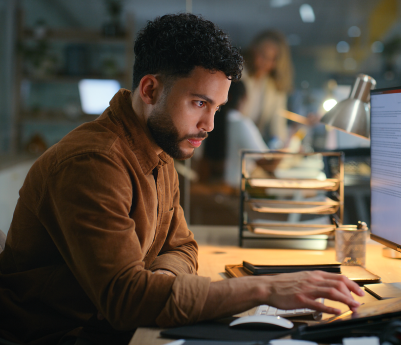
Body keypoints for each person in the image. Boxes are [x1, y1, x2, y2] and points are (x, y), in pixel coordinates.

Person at [0, 14, 363, 345]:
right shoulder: (93, 163)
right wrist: (264, 288)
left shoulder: (159, 148)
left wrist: (156, 283)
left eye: (217, 108)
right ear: (150, 90)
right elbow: (127, 300)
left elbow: (183, 248)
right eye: (199, 103)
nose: (209, 127)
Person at [242, 30, 294, 148]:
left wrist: (284, 145)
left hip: (252, 148)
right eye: (262, 54)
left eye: (271, 58)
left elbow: (278, 126)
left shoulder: (274, 87)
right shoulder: (237, 76)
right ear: (253, 51)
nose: (264, 62)